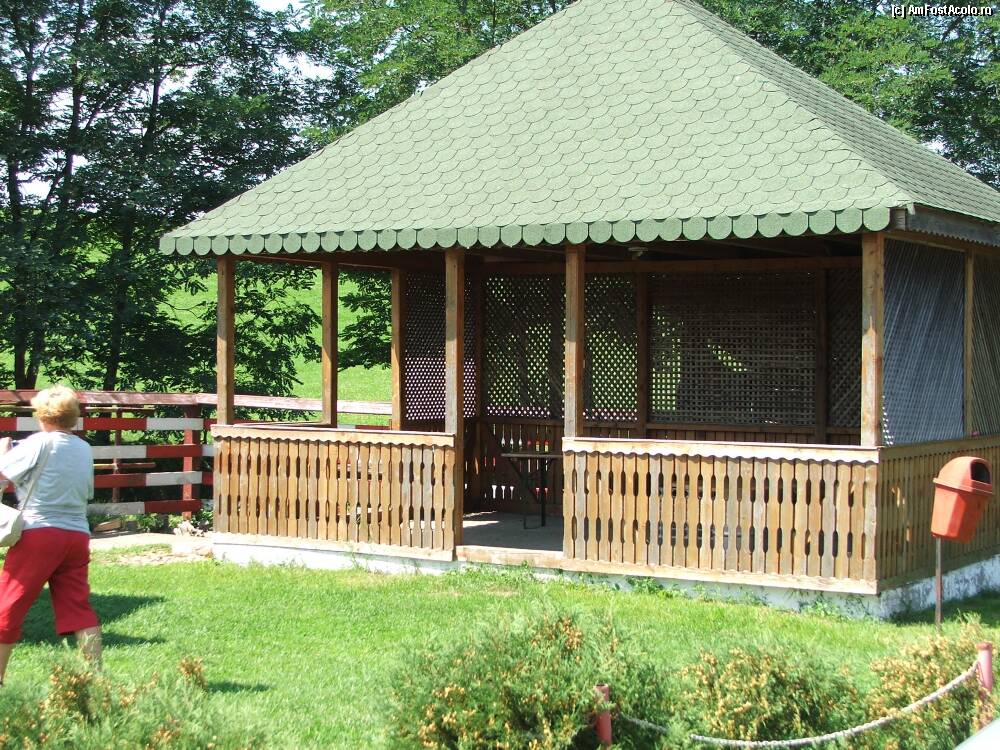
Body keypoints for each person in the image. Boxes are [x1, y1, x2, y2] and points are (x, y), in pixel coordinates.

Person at [0, 386, 100, 686]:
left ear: (41, 414)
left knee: (8, 605)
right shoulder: (84, 448)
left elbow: (4, 473)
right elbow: (88, 491)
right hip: (77, 535)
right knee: (79, 609)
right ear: (73, 416)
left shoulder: (38, 442)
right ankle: (96, 681)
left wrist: (4, 452)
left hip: (39, 533)